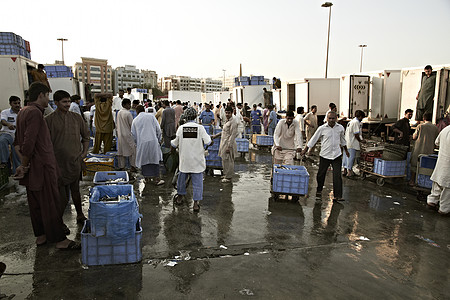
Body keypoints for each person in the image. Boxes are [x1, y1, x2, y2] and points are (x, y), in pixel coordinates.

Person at [13, 82, 79, 250]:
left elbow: (17, 144)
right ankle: (60, 240)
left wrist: (23, 165)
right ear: (41, 95)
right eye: (47, 96)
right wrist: (25, 165)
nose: (48, 99)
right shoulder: (35, 113)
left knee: (36, 205)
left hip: (33, 168)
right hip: (41, 168)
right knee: (50, 203)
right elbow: (28, 144)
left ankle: (41, 236)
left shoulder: (23, 112)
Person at [45, 90, 89, 225]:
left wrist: (84, 153)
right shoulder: (48, 120)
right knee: (62, 197)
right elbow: (45, 144)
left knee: (75, 190)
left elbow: (86, 137)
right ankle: (59, 222)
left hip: (74, 162)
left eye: (69, 101)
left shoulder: (76, 118)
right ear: (56, 103)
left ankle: (80, 214)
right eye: (64, 102)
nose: (67, 104)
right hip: (58, 164)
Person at [301, 111, 349, 202]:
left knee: (337, 176)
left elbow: (343, 140)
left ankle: (337, 196)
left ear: (336, 118)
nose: (331, 120)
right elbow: (313, 139)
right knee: (321, 174)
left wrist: (346, 150)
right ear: (327, 118)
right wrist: (305, 150)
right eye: (329, 118)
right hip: (325, 155)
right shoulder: (322, 128)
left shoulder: (340, 128)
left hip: (336, 155)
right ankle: (319, 190)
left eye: (333, 118)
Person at [171, 107, 212, 212]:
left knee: (181, 180)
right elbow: (208, 142)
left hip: (185, 161)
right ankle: (195, 204)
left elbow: (174, 143)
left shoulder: (181, 128)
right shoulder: (200, 128)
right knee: (197, 183)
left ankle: (179, 198)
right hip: (197, 161)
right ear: (195, 116)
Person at [132, 105, 164, 185]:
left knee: (144, 161)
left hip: (142, 143)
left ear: (137, 112)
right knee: (154, 160)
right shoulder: (151, 117)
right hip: (153, 141)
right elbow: (158, 129)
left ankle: (146, 178)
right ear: (144, 110)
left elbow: (133, 135)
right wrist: (159, 139)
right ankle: (157, 179)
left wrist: (137, 143)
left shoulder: (135, 120)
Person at [409, 112, 439, 186]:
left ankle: (412, 181)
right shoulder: (435, 128)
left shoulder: (420, 126)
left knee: (414, 165)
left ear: (423, 118)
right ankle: (424, 183)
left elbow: (414, 137)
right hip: (429, 150)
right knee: (427, 167)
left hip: (418, 149)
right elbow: (437, 141)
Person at [426, 124, 450, 215]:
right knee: (447, 189)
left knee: (437, 183)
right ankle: (444, 209)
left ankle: (432, 201)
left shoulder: (446, 129)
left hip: (441, 162)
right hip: (448, 166)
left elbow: (437, 142)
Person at [212, 106, 238, 183]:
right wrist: (216, 135)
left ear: (232, 113)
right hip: (224, 142)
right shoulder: (227, 121)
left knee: (229, 160)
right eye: (226, 113)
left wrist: (229, 146)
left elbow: (232, 135)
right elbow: (224, 132)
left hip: (229, 144)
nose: (227, 114)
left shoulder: (233, 122)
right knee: (224, 159)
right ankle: (226, 174)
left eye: (228, 113)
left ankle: (228, 177)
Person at [0, 96, 21, 173]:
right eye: (15, 103)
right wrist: (8, 125)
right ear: (10, 103)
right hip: (7, 133)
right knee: (2, 141)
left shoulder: (22, 112)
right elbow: (3, 121)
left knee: (16, 149)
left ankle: (17, 171)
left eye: (18, 103)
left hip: (18, 135)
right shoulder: (5, 112)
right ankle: (4, 162)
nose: (17, 105)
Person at [342, 110, 365, 177]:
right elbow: (356, 134)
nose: (362, 119)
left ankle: (345, 170)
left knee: (346, 156)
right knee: (350, 157)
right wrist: (361, 141)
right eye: (362, 118)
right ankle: (349, 172)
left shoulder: (351, 121)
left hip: (347, 141)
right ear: (360, 116)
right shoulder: (356, 122)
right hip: (352, 143)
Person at [116, 98, 136, 171]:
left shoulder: (119, 112)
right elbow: (132, 125)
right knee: (132, 151)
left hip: (120, 134)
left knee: (121, 151)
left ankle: (122, 166)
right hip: (128, 134)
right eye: (128, 104)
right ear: (124, 105)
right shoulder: (128, 113)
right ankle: (133, 166)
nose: (129, 106)